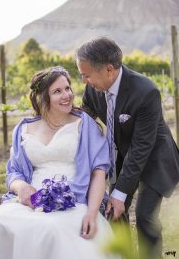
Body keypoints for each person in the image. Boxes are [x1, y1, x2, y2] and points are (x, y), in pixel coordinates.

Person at [0, 66, 117, 259]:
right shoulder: (24, 128)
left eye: (67, 88)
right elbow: (14, 173)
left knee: (51, 228)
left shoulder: (84, 124)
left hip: (72, 200)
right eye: (57, 91)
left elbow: (98, 172)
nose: (67, 95)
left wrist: (92, 214)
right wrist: (21, 188)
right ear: (42, 97)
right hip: (31, 202)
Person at [75, 37, 179, 259]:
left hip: (154, 157)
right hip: (124, 155)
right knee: (113, 210)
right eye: (81, 75)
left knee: (145, 216)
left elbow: (142, 146)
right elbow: (87, 110)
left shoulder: (146, 91)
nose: (84, 81)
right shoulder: (94, 89)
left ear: (109, 70)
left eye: (87, 75)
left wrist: (120, 194)